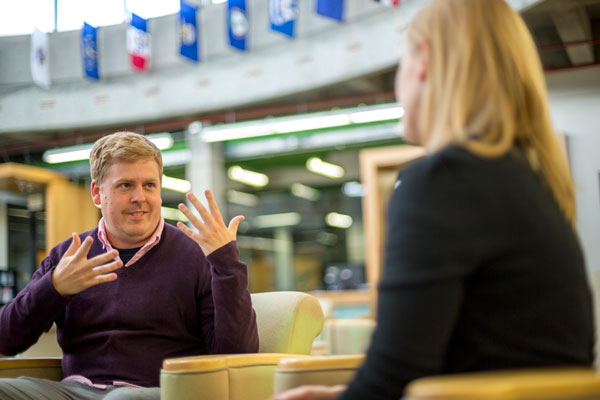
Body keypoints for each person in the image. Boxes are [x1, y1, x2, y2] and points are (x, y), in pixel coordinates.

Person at [273, 0, 595, 399]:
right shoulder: (531, 184)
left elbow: (396, 377)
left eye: (401, 61)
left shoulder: (443, 182)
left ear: (422, 61)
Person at [0, 131, 258, 399]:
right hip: (75, 391)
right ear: (97, 193)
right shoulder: (68, 256)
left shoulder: (197, 255)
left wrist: (226, 264)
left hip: (157, 392)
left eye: (149, 185)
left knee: (121, 399)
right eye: (125, 185)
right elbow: (7, 340)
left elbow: (239, 356)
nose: (140, 197)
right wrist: (54, 288)